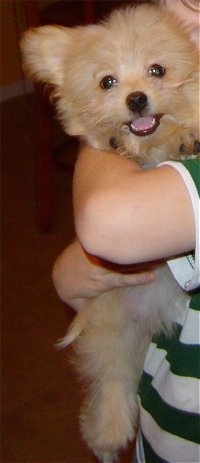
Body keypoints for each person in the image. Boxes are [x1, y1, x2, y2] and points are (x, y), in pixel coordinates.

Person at [53, 0, 200, 461]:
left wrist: (101, 144)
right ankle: (112, 397)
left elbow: (108, 221)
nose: (136, 92)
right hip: (166, 406)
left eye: (155, 70)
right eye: (110, 82)